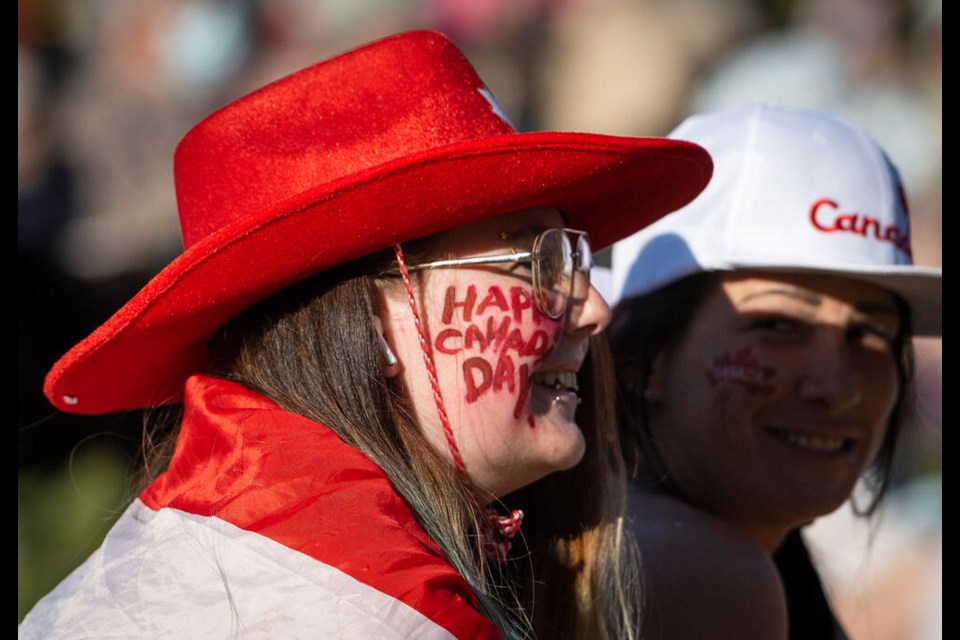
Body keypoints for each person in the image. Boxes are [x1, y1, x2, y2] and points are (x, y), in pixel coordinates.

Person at [18, 30, 713, 639]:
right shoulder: (380, 613)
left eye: (577, 257)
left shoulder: (215, 543)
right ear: (376, 322)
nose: (593, 307)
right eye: (538, 261)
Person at [605, 104, 941, 639]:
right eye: (779, 326)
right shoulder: (702, 576)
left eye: (871, 335)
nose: (837, 388)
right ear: (641, 354)